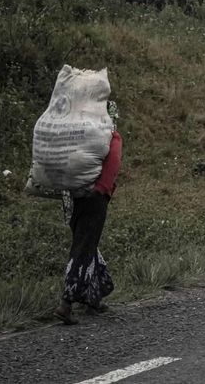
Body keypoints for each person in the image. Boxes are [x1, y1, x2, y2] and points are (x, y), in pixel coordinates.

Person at [54, 102, 122, 325]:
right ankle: (66, 303)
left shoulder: (76, 134)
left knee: (86, 242)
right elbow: (112, 165)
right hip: (94, 199)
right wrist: (101, 190)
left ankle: (95, 295)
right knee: (83, 247)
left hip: (71, 198)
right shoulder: (111, 137)